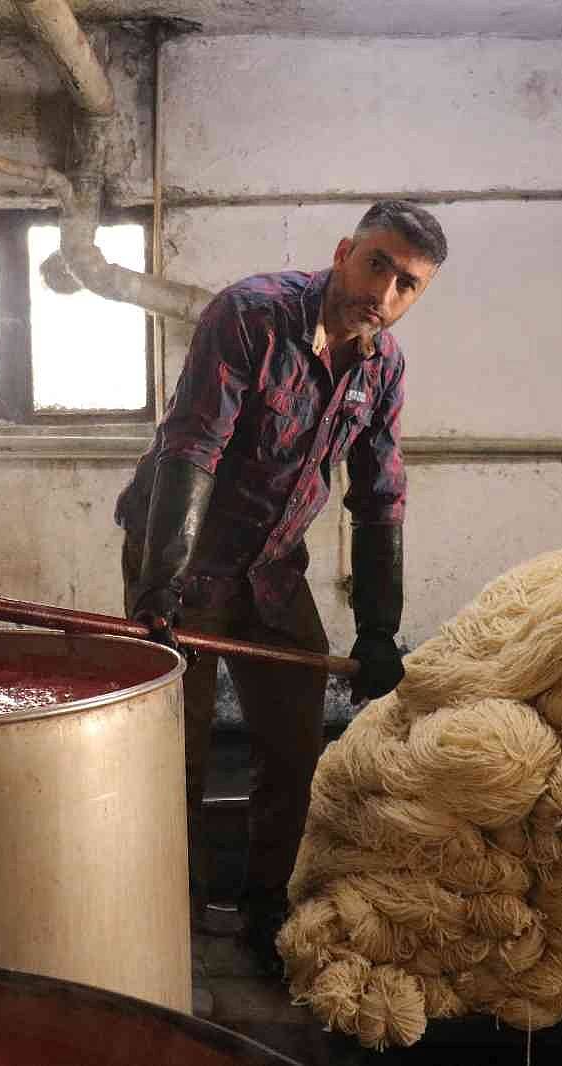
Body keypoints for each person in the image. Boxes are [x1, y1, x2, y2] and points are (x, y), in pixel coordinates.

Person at [114, 200, 447, 968]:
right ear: (344, 252)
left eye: (407, 284)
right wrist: (160, 585)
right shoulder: (252, 315)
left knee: (297, 742)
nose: (385, 293)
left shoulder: (382, 368)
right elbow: (194, 445)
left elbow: (379, 495)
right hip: (185, 557)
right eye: (377, 265)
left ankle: (266, 915)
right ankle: (173, 927)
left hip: (270, 567)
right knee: (176, 751)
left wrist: (378, 628)